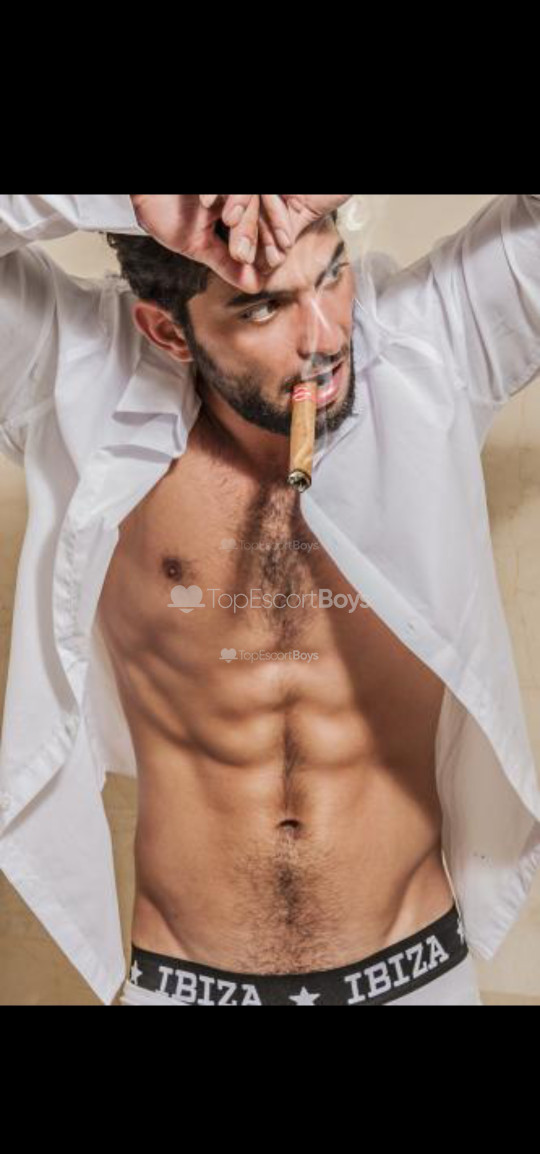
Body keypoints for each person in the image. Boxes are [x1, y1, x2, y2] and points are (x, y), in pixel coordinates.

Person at [1, 194, 539, 1005]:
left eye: (331, 275)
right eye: (263, 309)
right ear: (168, 332)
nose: (323, 337)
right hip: (185, 985)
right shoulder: (71, 376)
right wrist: (138, 197)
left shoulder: (435, 345)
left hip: (416, 973)